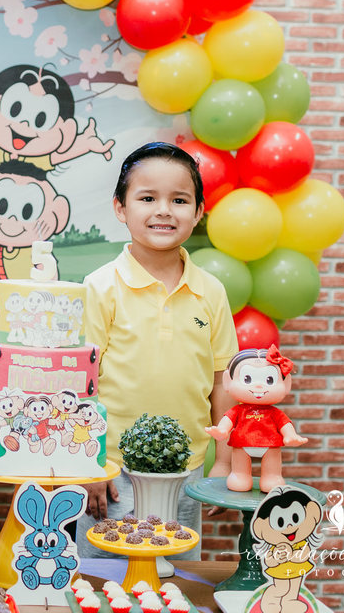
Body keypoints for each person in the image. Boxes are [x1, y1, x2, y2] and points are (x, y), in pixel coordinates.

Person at [77, 142, 238, 557]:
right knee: (102, 577)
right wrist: (90, 462)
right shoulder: (100, 286)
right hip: (112, 472)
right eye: (147, 198)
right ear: (120, 207)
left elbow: (222, 383)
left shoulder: (211, 291)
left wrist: (224, 461)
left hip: (187, 470)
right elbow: (80, 384)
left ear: (198, 212)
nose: (164, 210)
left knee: (174, 576)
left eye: (179, 200)